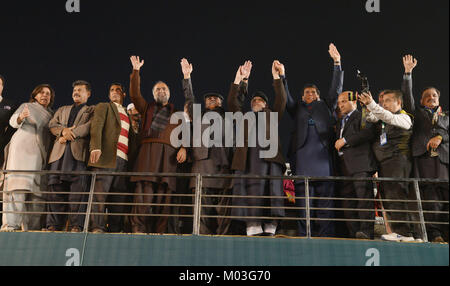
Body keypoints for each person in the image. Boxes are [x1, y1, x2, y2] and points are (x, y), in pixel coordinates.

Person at [282, 43, 344, 237]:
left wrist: (337, 63)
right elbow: (286, 97)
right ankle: (304, 235)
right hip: (302, 161)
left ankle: (326, 235)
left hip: (323, 161)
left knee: (326, 202)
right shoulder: (296, 108)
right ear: (302, 96)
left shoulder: (326, 105)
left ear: (319, 95)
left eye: (314, 92)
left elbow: (336, 88)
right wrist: (282, 77)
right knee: (303, 203)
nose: (311, 93)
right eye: (307, 92)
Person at [228, 60, 287, 236]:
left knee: (272, 191)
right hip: (248, 161)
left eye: (260, 100)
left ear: (266, 105)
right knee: (252, 191)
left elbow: (282, 99)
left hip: (271, 161)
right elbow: (232, 103)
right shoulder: (244, 116)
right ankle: (252, 225)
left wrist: (277, 78)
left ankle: (270, 226)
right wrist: (238, 80)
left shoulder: (273, 114)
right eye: (253, 100)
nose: (256, 101)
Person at [128, 56, 183, 234]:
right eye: (158, 89)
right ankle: (138, 229)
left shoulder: (177, 113)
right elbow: (135, 94)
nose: (161, 90)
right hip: (147, 155)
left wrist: (184, 148)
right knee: (143, 194)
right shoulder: (146, 108)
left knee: (163, 197)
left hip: (168, 158)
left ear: (169, 93)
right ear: (153, 94)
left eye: (164, 88)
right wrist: (136, 71)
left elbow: (186, 134)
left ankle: (160, 231)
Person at [179, 58, 234, 235]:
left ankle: (223, 241)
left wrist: (242, 81)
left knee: (224, 212)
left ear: (220, 102)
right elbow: (189, 99)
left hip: (224, 167)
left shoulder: (230, 116)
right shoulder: (199, 115)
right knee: (201, 211)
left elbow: (237, 100)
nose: (211, 99)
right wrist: (187, 77)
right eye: (208, 98)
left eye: (215, 98)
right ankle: (202, 239)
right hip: (201, 166)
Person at [401, 55, 449, 243]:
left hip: (445, 164)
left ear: (439, 99)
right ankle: (434, 234)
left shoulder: (446, 117)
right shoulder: (417, 114)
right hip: (425, 162)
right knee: (431, 201)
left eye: (434, 95)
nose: (431, 98)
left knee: (446, 201)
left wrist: (440, 136)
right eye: (427, 96)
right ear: (421, 101)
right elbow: (406, 97)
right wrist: (408, 73)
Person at [359, 90, 415, 242]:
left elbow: (388, 116)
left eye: (389, 100)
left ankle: (405, 233)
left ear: (399, 103)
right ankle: (397, 232)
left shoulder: (405, 117)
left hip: (398, 161)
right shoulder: (382, 119)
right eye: (383, 101)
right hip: (384, 164)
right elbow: (370, 118)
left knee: (396, 196)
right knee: (388, 197)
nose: (384, 103)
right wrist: (365, 106)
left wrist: (372, 104)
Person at [1, 84, 55, 232]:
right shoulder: (27, 106)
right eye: (41, 93)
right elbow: (13, 122)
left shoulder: (51, 115)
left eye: (48, 93)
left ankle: (31, 228)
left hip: (40, 155)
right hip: (22, 151)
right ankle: (10, 225)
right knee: (17, 188)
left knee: (36, 192)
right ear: (35, 95)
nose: (45, 95)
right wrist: (20, 117)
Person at [45, 80, 94, 232]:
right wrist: (63, 131)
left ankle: (75, 226)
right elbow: (52, 125)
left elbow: (89, 126)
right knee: (55, 191)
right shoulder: (62, 109)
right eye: (74, 90)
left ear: (88, 94)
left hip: (78, 156)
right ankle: (53, 225)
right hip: (58, 156)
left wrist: (69, 134)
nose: (76, 92)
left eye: (80, 90)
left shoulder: (92, 110)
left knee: (77, 194)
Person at [88, 83, 137, 233]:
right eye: (111, 90)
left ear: (123, 95)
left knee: (119, 197)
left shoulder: (128, 115)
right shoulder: (104, 106)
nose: (114, 92)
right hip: (107, 157)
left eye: (118, 90)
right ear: (109, 95)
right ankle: (98, 227)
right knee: (100, 196)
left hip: (124, 161)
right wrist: (95, 146)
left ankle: (116, 229)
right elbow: (96, 126)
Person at [334, 91, 377, 239]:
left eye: (343, 101)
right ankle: (354, 233)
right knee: (348, 201)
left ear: (354, 102)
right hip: (344, 166)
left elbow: (368, 132)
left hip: (360, 165)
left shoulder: (363, 114)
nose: (340, 105)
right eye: (339, 103)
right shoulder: (340, 121)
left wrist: (345, 140)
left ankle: (366, 232)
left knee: (364, 199)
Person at [0, 74, 18, 168]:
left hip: (3, 147)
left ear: (2, 87)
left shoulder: (11, 105)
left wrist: (4, 141)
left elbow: (14, 126)